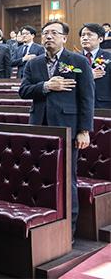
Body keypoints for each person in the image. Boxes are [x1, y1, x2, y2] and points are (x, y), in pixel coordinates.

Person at [19, 21, 94, 239]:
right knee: (39, 175)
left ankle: (68, 229)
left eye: (54, 33)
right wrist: (46, 86)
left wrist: (84, 130)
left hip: (66, 128)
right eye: (45, 33)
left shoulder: (77, 61)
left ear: (64, 38)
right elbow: (23, 91)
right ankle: (45, 223)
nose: (48, 37)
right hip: (39, 127)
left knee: (67, 178)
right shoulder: (33, 64)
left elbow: (86, 98)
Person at [79, 23, 111, 109]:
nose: (85, 38)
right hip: (79, 104)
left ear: (100, 39)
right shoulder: (73, 59)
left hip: (103, 105)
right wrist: (88, 76)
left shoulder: (109, 57)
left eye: (89, 35)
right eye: (82, 35)